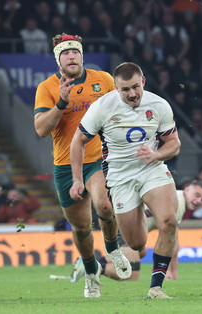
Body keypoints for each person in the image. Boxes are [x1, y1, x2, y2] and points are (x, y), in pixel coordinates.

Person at [69, 62, 181, 299]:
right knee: (137, 244)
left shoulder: (160, 105)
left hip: (151, 169)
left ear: (143, 82)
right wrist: (77, 180)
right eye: (125, 89)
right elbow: (77, 140)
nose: (132, 94)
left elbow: (174, 143)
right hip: (120, 177)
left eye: (135, 87)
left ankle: (156, 287)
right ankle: (142, 206)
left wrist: (157, 154)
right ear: (116, 89)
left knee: (170, 221)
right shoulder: (102, 107)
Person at [34, 33, 131, 298]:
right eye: (65, 53)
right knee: (81, 228)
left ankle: (112, 248)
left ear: (82, 55)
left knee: (104, 205)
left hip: (98, 158)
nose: (72, 56)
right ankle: (91, 272)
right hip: (65, 165)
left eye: (75, 51)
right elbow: (41, 129)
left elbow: (122, 112)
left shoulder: (103, 80)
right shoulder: (47, 87)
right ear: (58, 59)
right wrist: (62, 103)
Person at [70, 180, 202, 282]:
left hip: (122, 226)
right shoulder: (178, 202)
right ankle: (92, 266)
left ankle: (90, 263)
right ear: (186, 189)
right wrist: (169, 272)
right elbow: (169, 242)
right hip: (124, 229)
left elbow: (173, 241)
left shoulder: (174, 196)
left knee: (141, 251)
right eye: (197, 195)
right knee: (132, 275)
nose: (199, 201)